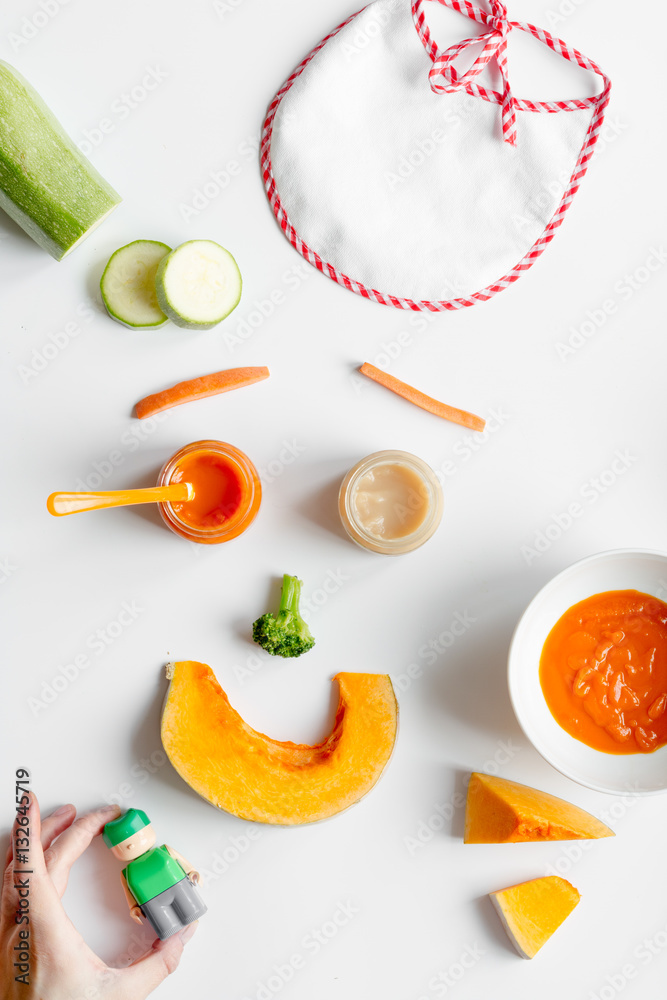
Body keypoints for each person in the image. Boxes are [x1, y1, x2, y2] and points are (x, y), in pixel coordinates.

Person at [1, 793, 196, 999]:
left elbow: (181, 863)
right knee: (169, 928)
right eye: (125, 845)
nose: (131, 845)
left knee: (189, 908)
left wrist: (191, 872)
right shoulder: (129, 873)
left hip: (178, 886)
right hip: (152, 902)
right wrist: (134, 908)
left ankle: (191, 912)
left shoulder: (162, 853)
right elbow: (130, 894)